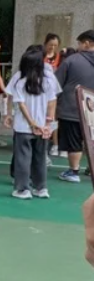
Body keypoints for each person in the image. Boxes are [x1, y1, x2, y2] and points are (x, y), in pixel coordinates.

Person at [9, 47, 60, 199]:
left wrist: (32, 123)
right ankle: (41, 188)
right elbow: (52, 102)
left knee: (22, 158)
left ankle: (23, 189)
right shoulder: (49, 80)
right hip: (42, 127)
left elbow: (21, 105)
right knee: (40, 158)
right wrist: (47, 124)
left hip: (23, 127)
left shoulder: (20, 81)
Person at [54, 30, 94, 183]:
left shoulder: (72, 60)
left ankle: (73, 171)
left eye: (79, 43)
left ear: (87, 43)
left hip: (72, 108)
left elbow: (56, 84)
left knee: (74, 141)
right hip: (92, 110)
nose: (77, 46)